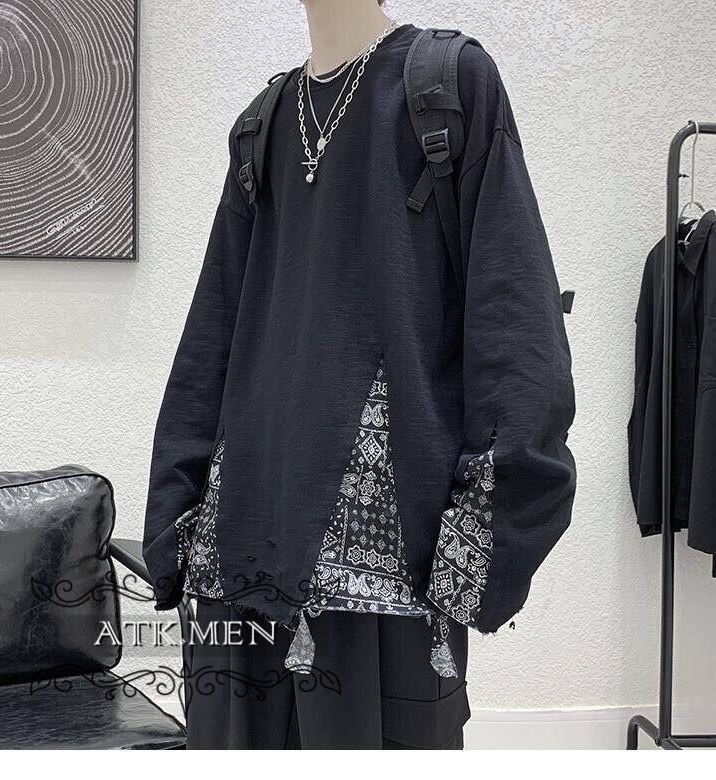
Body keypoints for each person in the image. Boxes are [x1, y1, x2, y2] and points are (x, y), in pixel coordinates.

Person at [144, 0, 576, 749]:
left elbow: (515, 317)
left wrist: (487, 536)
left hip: (388, 570)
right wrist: (175, 512)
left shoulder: (447, 84)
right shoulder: (261, 123)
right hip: (235, 553)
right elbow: (213, 331)